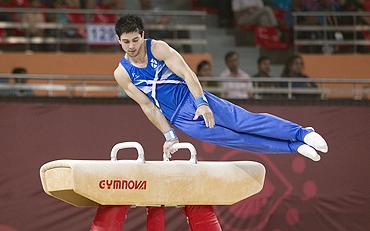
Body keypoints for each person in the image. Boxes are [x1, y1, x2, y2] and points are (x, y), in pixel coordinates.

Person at [90, 15, 329, 231]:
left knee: (244, 122)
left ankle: (301, 133)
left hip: (192, 99)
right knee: (238, 140)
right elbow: (148, 106)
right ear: (118, 41)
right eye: (126, 42)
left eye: (135, 40)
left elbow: (188, 75)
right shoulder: (122, 73)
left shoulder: (158, 49)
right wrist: (169, 136)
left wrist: (202, 103)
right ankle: (294, 147)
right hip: (180, 119)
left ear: (142, 36)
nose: (131, 46)